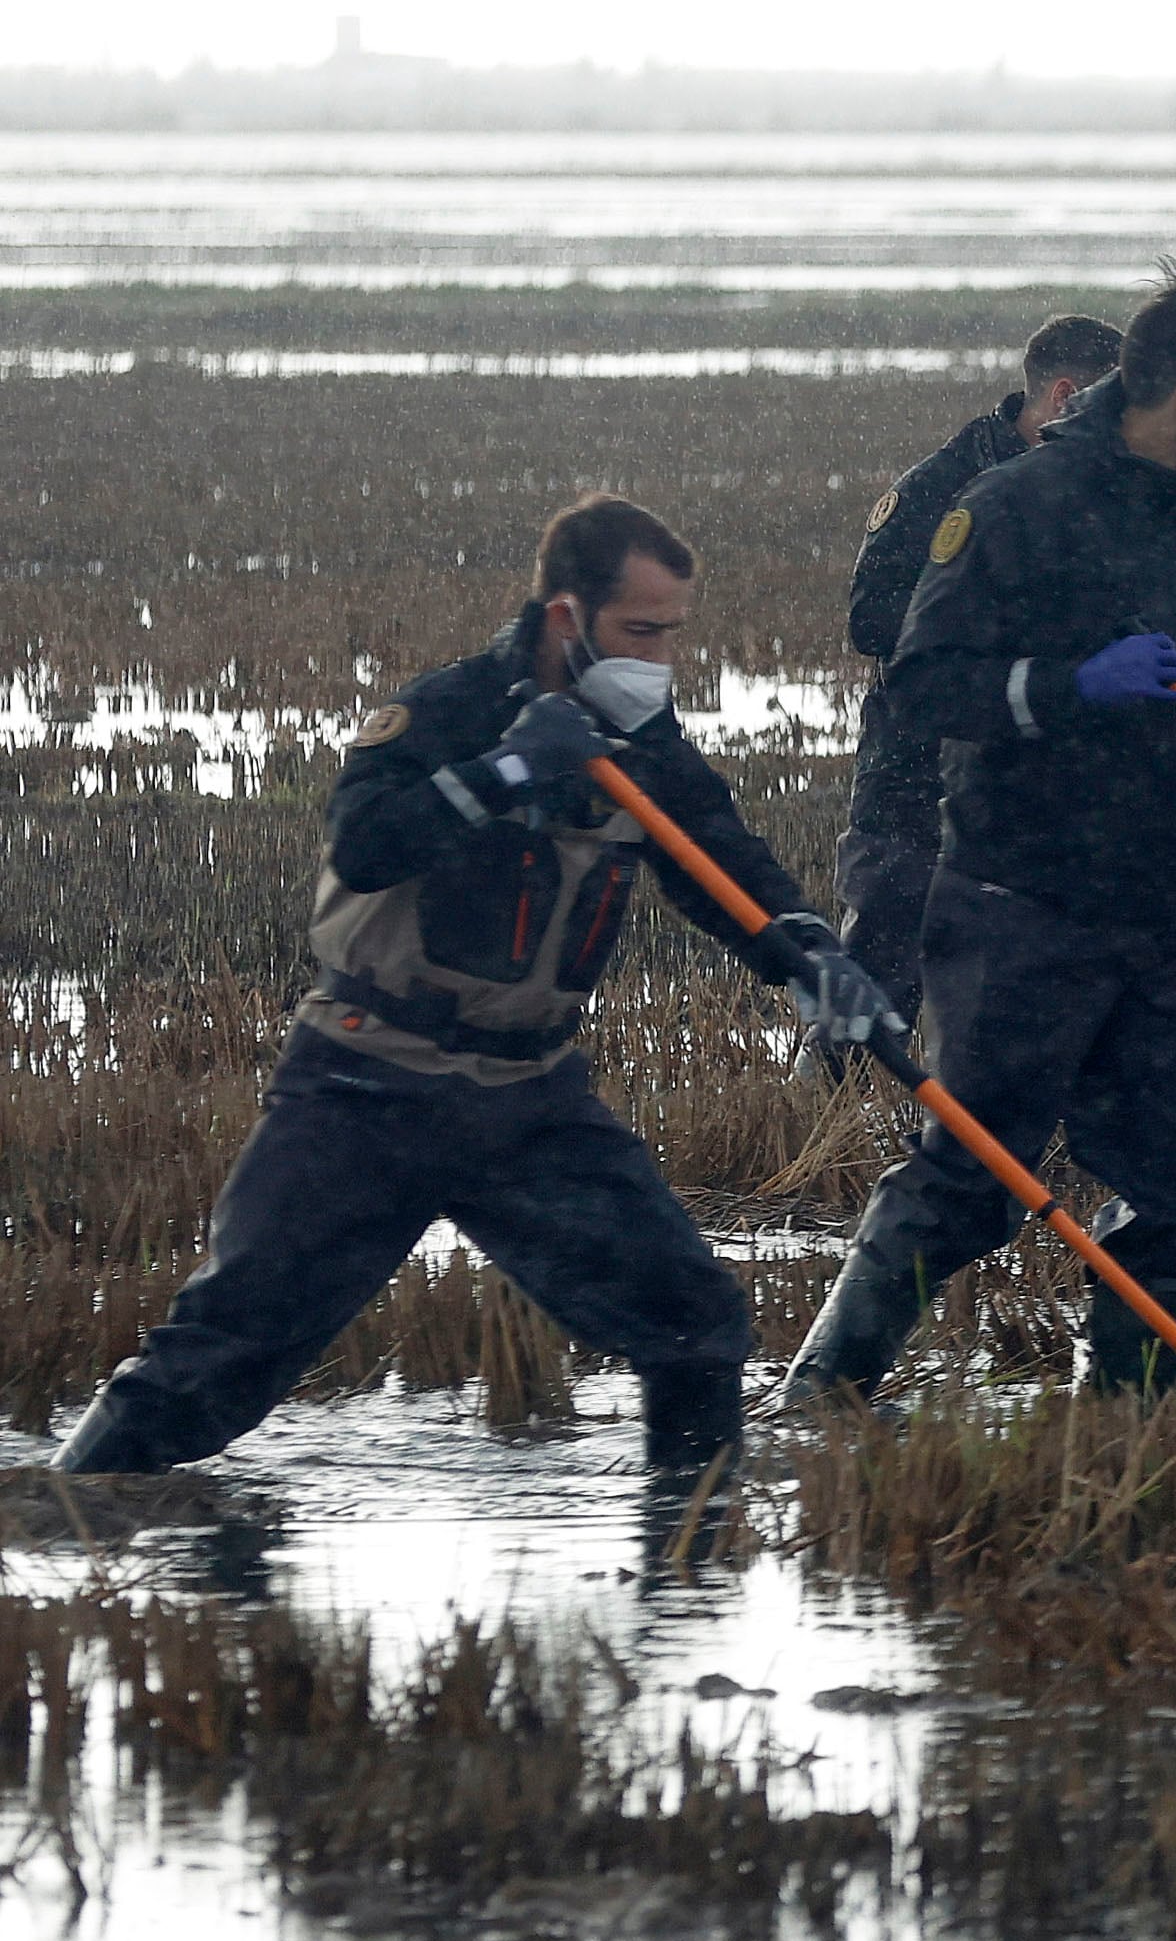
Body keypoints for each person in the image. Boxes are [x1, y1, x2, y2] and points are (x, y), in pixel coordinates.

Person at [57, 497, 894, 1477]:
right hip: (365, 1084)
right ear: (564, 618)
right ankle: (65, 1527)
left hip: (529, 1101)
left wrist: (810, 954)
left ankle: (687, 1572)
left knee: (695, 1324)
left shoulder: (646, 747)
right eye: (639, 632)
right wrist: (499, 772)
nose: (659, 659)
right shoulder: (443, 713)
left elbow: (725, 871)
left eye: (672, 634)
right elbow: (367, 849)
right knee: (211, 1364)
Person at [782, 272, 1176, 1401]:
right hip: (1020, 903)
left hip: (1174, 908)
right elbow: (923, 687)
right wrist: (1067, 688)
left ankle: (1125, 1407)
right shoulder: (1015, 508)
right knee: (974, 1177)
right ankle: (825, 1392)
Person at [837, 315, 1126, 993]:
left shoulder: (1093, 488)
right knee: (881, 974)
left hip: (1032, 784)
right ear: (1064, 397)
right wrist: (1007, 625)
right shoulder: (942, 486)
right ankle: (834, 1089)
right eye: (1116, 406)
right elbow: (871, 618)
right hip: (916, 772)